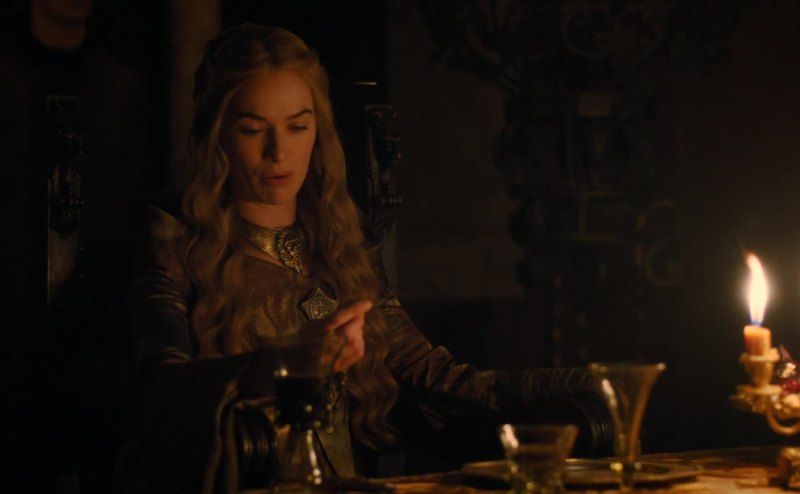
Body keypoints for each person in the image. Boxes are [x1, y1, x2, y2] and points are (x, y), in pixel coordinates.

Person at [118, 23, 611, 493]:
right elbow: (161, 393)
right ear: (217, 134)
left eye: (297, 126)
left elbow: (437, 382)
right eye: (252, 129)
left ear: (318, 130)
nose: (278, 152)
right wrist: (276, 366)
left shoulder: (340, 244)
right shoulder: (176, 243)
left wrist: (593, 381)